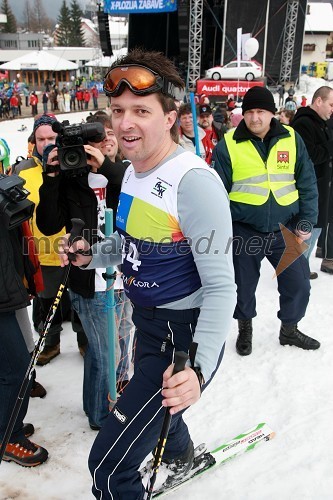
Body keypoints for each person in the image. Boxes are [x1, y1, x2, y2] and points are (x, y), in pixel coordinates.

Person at [56, 48, 236, 498]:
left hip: (182, 337)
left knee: (108, 467)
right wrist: (89, 256)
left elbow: (221, 286)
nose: (125, 122)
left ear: (171, 115)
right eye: (118, 110)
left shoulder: (192, 182)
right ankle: (182, 455)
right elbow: (131, 247)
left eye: (141, 110)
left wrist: (197, 367)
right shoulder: (135, 173)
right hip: (149, 323)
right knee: (155, 410)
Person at [35, 112, 129, 430]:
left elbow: (132, 205)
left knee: (116, 347)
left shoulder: (126, 174)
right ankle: (102, 416)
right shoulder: (71, 179)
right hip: (88, 280)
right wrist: (52, 177)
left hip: (123, 278)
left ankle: (104, 405)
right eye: (97, 141)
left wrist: (106, 164)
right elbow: (47, 224)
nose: (105, 144)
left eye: (109, 138)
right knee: (105, 353)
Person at [212, 85, 320, 357]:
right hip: (244, 230)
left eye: (261, 111)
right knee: (243, 286)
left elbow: (307, 183)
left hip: (286, 228)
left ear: (272, 113)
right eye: (249, 112)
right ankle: (245, 327)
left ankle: (289, 328)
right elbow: (216, 193)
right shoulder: (228, 144)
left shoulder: (291, 138)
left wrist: (306, 221)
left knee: (299, 284)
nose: (255, 118)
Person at [13, 114, 74, 365]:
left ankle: (83, 342)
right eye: (41, 139)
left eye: (51, 137)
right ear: (34, 141)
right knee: (46, 304)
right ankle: (50, 344)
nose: (46, 143)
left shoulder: (72, 162)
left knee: (80, 301)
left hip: (73, 249)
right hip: (41, 251)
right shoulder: (23, 169)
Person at [0, 173, 48, 467]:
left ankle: (8, 424)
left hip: (9, 289)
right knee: (17, 369)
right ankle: (9, 437)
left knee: (13, 367)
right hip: (2, 297)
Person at [292, 86, 333, 276]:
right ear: (319, 101)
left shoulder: (320, 122)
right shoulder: (304, 123)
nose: (332, 109)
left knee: (315, 229)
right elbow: (309, 156)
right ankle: (296, 270)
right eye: (330, 104)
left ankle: (301, 267)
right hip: (310, 189)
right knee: (307, 230)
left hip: (321, 187)